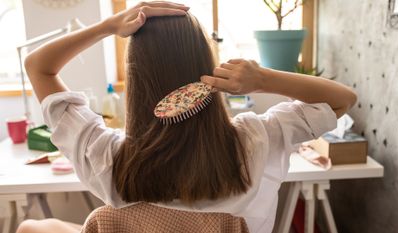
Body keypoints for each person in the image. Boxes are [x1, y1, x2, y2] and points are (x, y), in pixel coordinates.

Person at [17, 1, 357, 233]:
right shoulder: (258, 138)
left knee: (32, 227)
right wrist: (263, 78)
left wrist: (107, 27)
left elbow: (38, 67)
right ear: (205, 65)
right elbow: (343, 100)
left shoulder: (107, 155)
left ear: (135, 80)